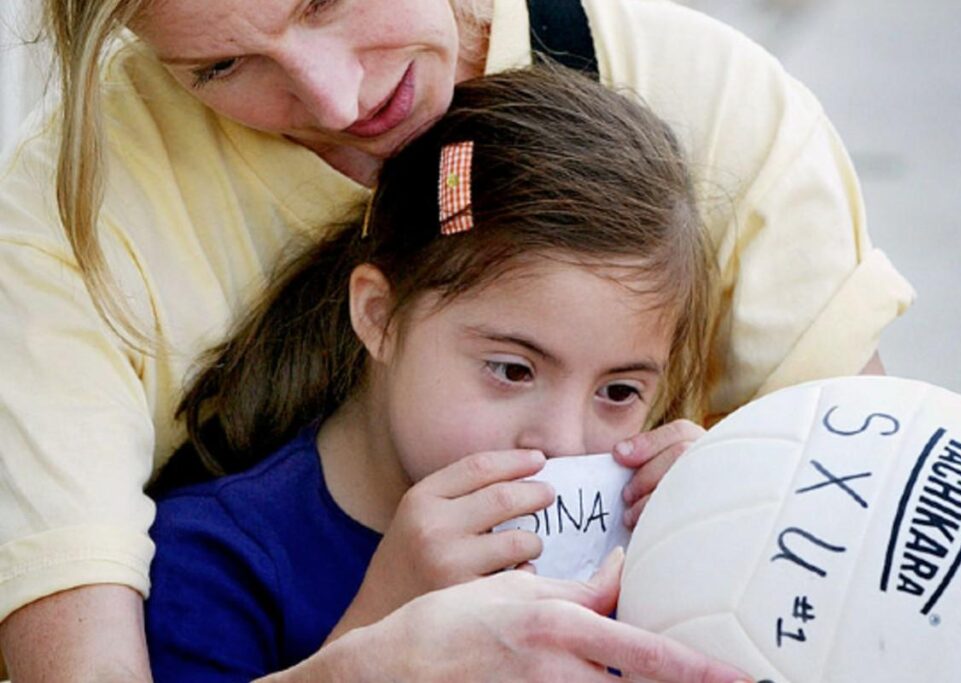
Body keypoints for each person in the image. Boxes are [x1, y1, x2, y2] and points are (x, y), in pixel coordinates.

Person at [0, 0, 914, 679]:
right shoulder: (55, 236)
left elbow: (889, 606)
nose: (336, 95)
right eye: (222, 66)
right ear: (377, 316)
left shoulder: (717, 101)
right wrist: (370, 655)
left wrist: (739, 519)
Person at [144, 62, 726, 680]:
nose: (562, 440)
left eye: (618, 391)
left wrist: (724, 533)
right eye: (511, 370)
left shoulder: (648, 539)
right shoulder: (215, 562)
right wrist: (384, 623)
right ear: (380, 317)